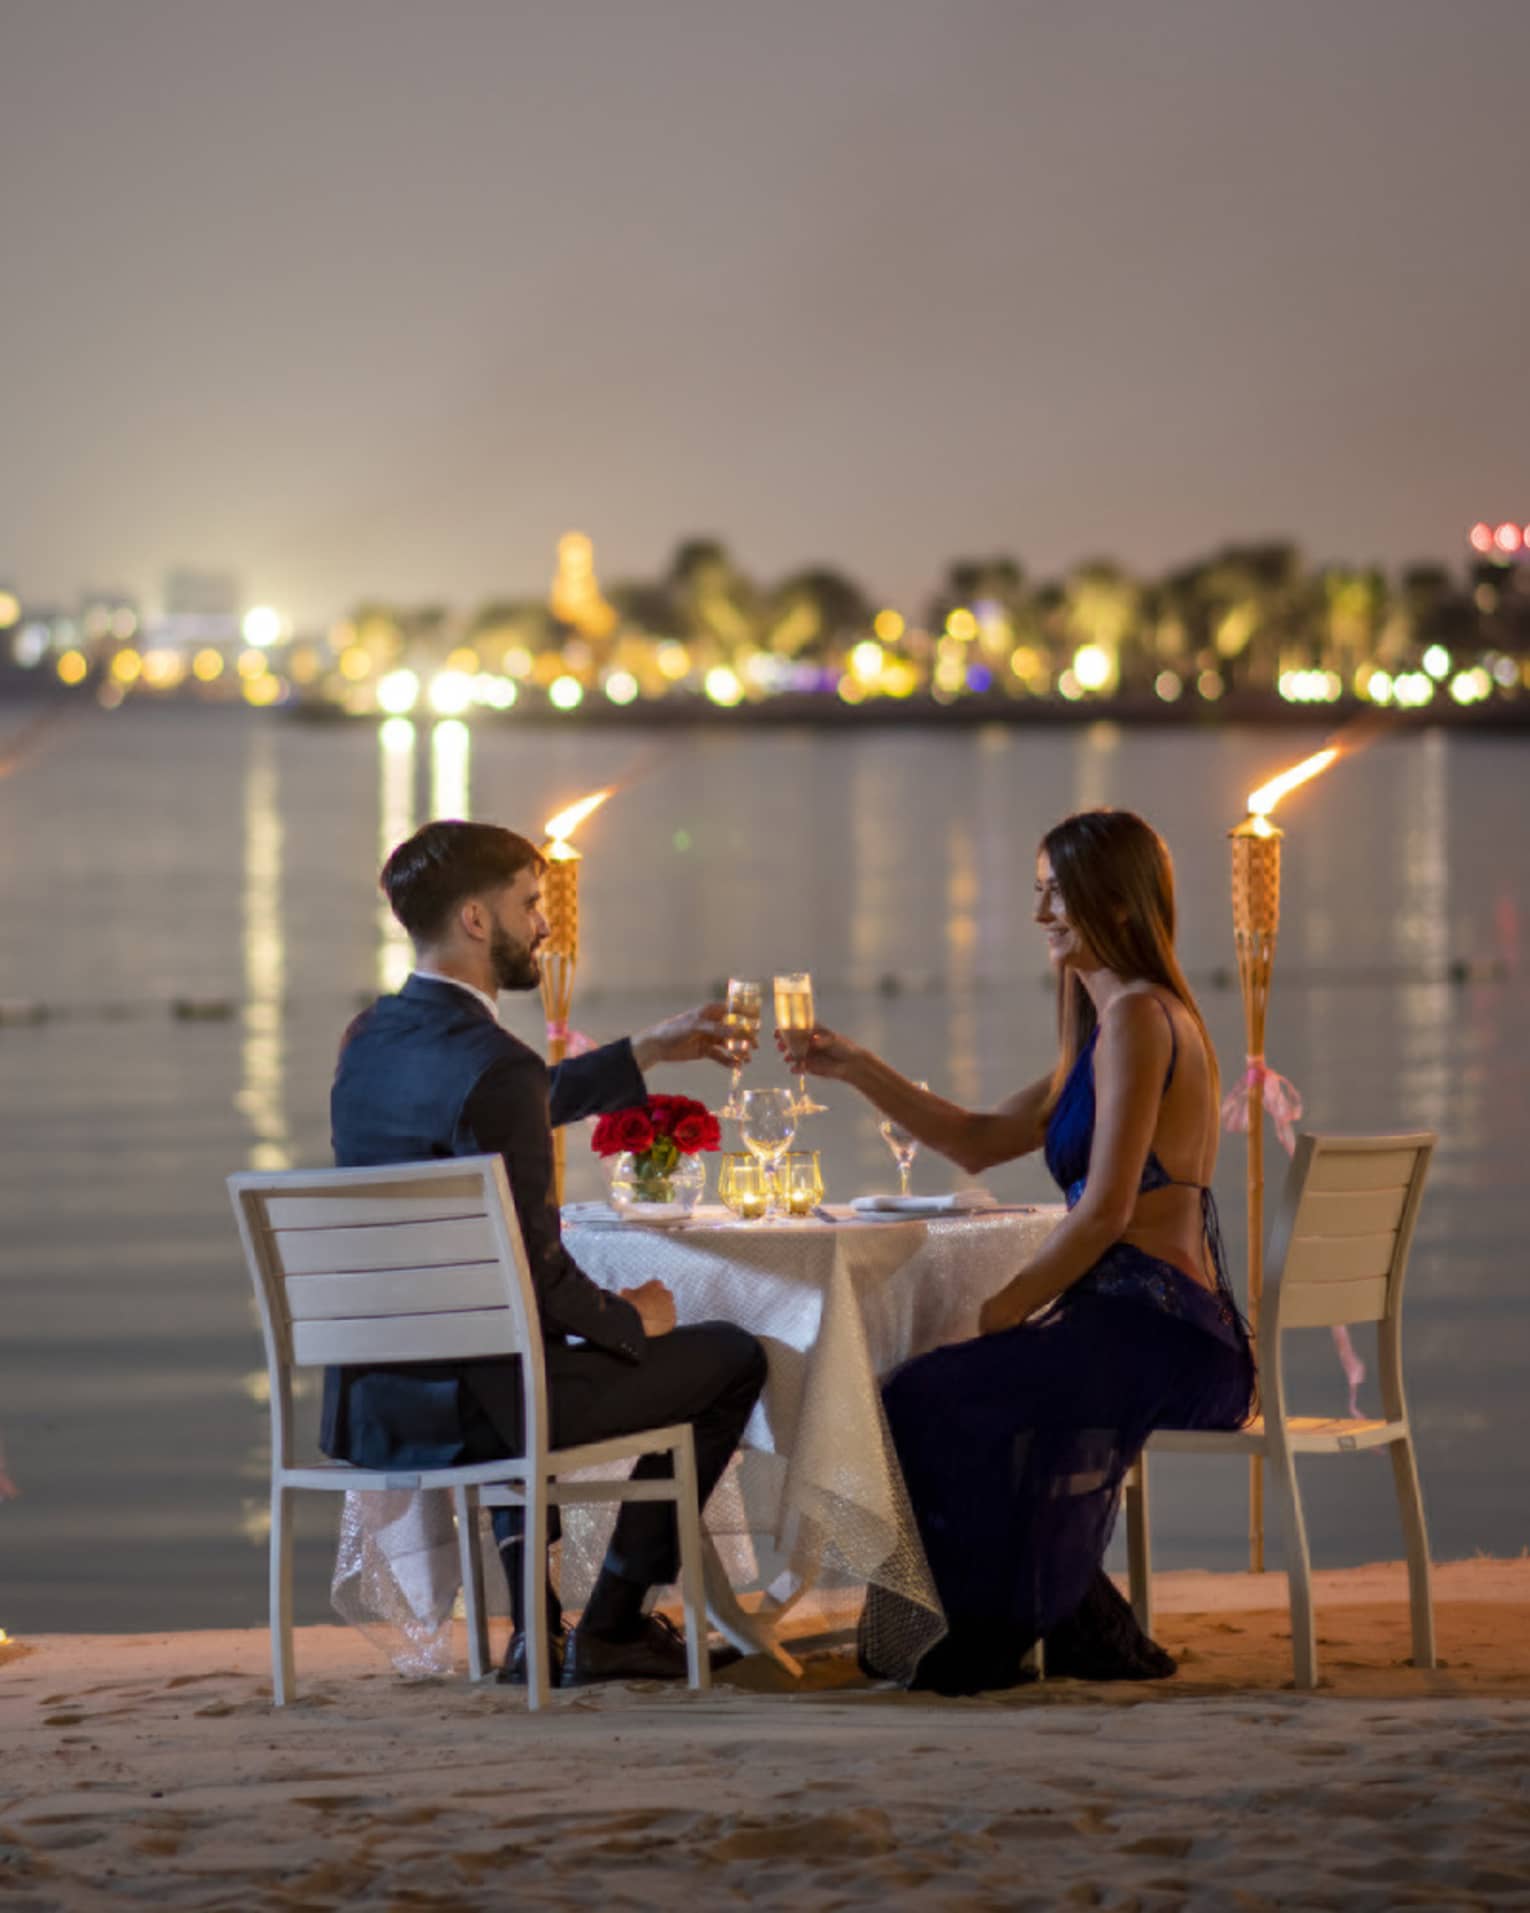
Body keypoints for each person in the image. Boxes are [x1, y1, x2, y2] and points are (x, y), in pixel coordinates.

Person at [783, 808, 1256, 1693]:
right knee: (944, 1395)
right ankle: (1072, 1618)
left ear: (1113, 901)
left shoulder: (1144, 1020)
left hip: (1166, 1328)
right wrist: (857, 1067)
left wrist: (1007, 1309)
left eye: (1057, 893)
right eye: (1038, 892)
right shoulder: (1106, 1023)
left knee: (925, 1397)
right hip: (1118, 1319)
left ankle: (995, 1632)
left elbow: (1109, 1208)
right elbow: (977, 1138)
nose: (1042, 914)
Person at [325, 818, 768, 1688]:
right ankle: (608, 1622)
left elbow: (503, 1104)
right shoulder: (495, 1064)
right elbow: (537, 1269)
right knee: (731, 1356)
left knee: (530, 1348)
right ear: (477, 920)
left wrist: (644, 1049)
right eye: (530, 904)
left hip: (378, 1403)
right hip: (482, 1407)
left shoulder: (368, 1041)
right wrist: (630, 1318)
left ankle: (547, 1626)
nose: (546, 925)